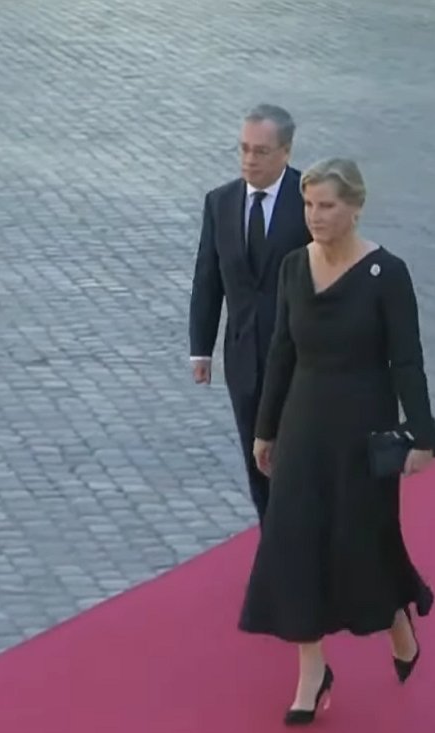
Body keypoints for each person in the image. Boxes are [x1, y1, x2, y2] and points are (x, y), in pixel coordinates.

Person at [237, 157, 435, 726]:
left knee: (362, 540)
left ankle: (396, 620)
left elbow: (407, 361)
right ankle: (312, 670)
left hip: (362, 428)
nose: (315, 216)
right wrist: (265, 429)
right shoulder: (293, 268)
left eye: (327, 205)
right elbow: (282, 352)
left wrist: (422, 435)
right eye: (308, 205)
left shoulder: (387, 273)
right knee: (294, 542)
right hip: (304, 425)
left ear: (355, 208)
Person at [188, 104, 312, 523]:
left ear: (286, 152)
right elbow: (208, 278)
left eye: (260, 151)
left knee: (296, 460)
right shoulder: (220, 203)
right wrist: (201, 349)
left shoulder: (309, 201)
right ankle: (274, 541)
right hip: (244, 358)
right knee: (257, 459)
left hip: (300, 360)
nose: (249, 160)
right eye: (243, 149)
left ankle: (302, 541)